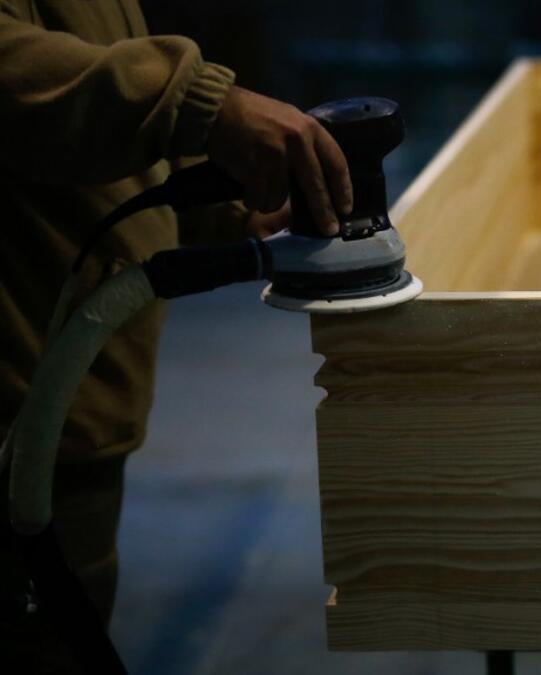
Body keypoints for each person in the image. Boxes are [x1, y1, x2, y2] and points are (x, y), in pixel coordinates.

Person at [0, 1, 352, 668]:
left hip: (75, 416)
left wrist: (229, 214)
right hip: (22, 417)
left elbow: (95, 142)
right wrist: (201, 105)